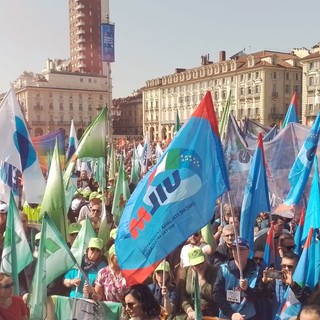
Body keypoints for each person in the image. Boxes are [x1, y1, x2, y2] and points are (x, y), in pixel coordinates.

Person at [213, 237, 263, 320]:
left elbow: (258, 297)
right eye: (234, 249)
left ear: (248, 251)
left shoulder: (256, 270)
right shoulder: (224, 269)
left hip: (248, 316)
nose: (237, 252)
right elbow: (217, 294)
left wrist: (247, 289)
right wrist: (231, 314)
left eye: (241, 249)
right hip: (227, 316)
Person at [179, 246, 218, 318]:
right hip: (191, 313)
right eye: (196, 264)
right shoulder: (186, 271)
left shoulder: (214, 271)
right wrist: (188, 309)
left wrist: (203, 282)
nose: (200, 266)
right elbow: (182, 295)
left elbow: (215, 296)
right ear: (191, 264)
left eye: (201, 263)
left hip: (209, 312)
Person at [262, 251, 299, 319]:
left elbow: (306, 300)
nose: (286, 269)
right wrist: (264, 283)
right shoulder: (275, 282)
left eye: (290, 267)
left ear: (297, 267)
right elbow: (262, 297)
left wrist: (293, 285)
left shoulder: (301, 284)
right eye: (283, 266)